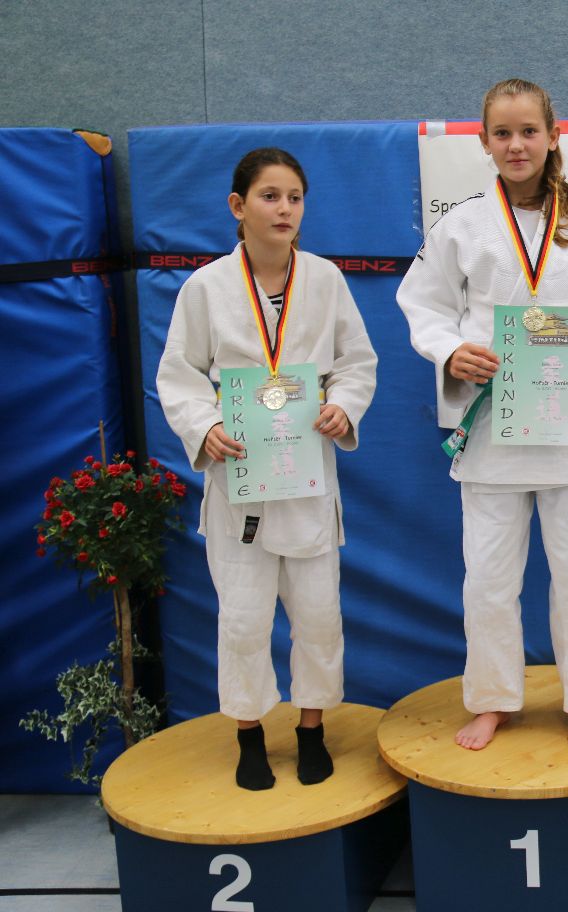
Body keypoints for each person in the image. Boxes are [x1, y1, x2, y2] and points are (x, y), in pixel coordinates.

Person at [396, 78, 568, 752]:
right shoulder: (461, 224)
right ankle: (492, 699)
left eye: (528, 131)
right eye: (503, 133)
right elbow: (423, 303)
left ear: (553, 136)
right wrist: (451, 351)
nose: (516, 145)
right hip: (494, 429)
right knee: (488, 578)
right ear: (483, 142)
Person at [157, 147, 377, 790]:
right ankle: (249, 735)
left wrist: (343, 406)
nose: (285, 209)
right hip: (240, 477)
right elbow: (179, 375)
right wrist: (205, 426)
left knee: (318, 615)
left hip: (305, 471)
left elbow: (357, 362)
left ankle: (311, 729)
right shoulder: (205, 288)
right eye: (270, 196)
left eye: (295, 198)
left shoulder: (325, 280)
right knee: (244, 620)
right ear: (238, 206)